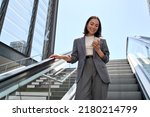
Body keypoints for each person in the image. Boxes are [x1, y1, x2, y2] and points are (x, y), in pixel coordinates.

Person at [50, 16, 110, 100]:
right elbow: (74, 58)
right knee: (81, 98)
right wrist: (62, 56)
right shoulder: (77, 41)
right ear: (87, 24)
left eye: (96, 25)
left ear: (98, 28)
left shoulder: (102, 41)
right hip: (84, 70)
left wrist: (98, 50)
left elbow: (106, 59)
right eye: (91, 24)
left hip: (100, 72)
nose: (93, 27)